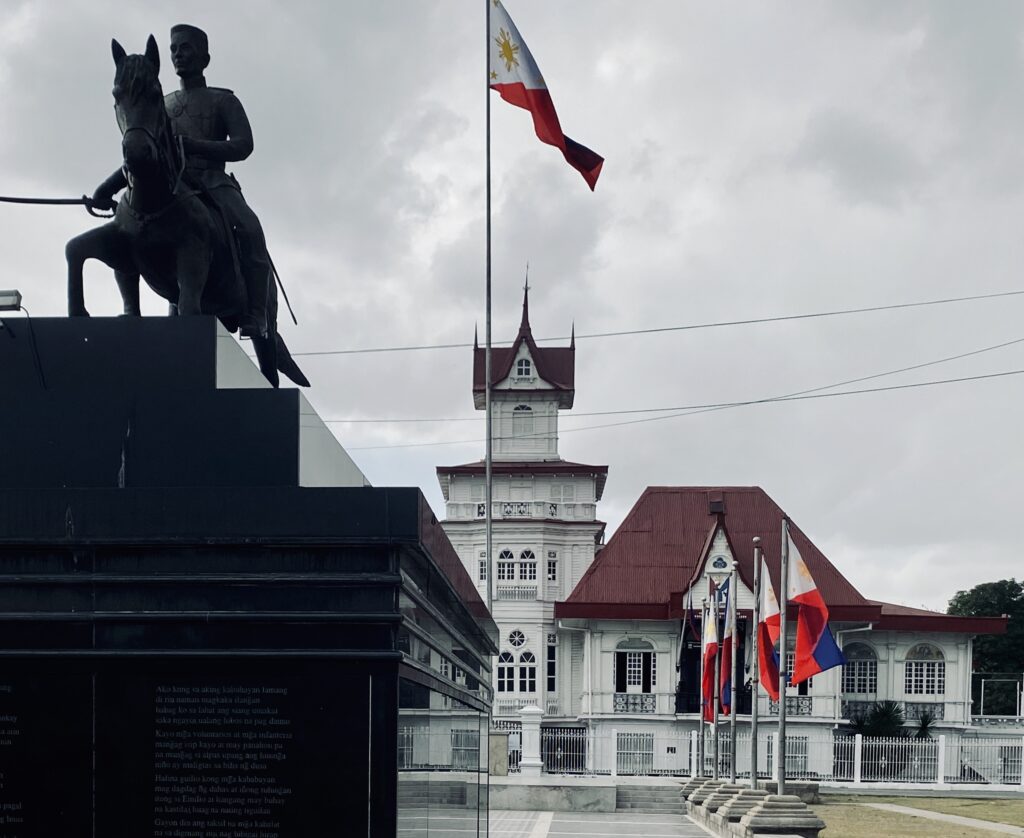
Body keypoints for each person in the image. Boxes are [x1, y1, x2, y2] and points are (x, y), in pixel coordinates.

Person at [92, 24, 270, 337]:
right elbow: (144, 156)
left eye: (185, 48)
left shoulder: (223, 101)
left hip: (215, 182)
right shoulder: (162, 102)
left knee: (250, 227)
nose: (178, 55)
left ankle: (257, 315)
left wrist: (195, 146)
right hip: (174, 183)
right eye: (174, 49)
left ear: (205, 57)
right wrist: (107, 188)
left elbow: (244, 145)